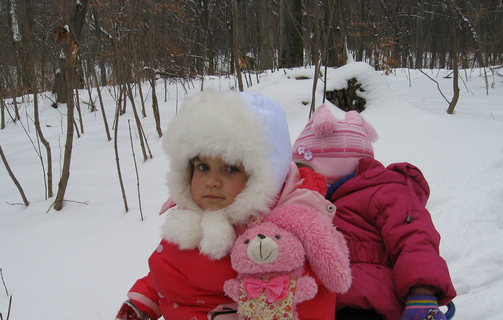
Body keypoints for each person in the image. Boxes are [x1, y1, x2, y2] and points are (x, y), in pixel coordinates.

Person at [115, 91, 351, 320]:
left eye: (230, 169)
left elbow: (307, 303)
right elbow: (170, 272)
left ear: (262, 177)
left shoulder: (273, 242)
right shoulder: (193, 215)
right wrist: (143, 301)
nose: (212, 181)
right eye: (202, 167)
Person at [291, 105, 457, 320]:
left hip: (369, 302)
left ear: (329, 166)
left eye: (305, 168)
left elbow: (415, 238)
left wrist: (422, 294)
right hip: (314, 302)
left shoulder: (384, 190)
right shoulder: (308, 199)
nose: (299, 176)